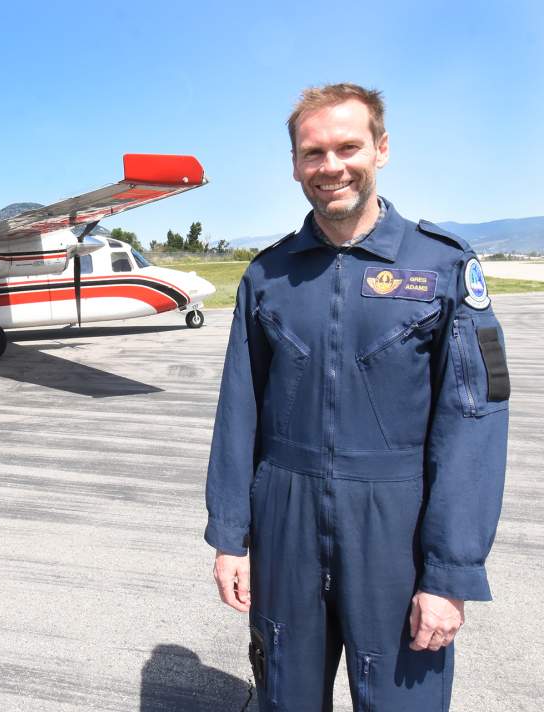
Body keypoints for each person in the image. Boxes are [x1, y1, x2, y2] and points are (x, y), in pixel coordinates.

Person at [204, 83, 509, 711]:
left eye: (348, 146)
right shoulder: (269, 275)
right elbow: (239, 411)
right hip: (284, 516)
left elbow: (473, 423)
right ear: (294, 164)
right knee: (285, 697)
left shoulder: (443, 266)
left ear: (381, 148)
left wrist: (449, 574)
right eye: (313, 153)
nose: (331, 166)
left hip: (395, 526)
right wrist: (230, 536)